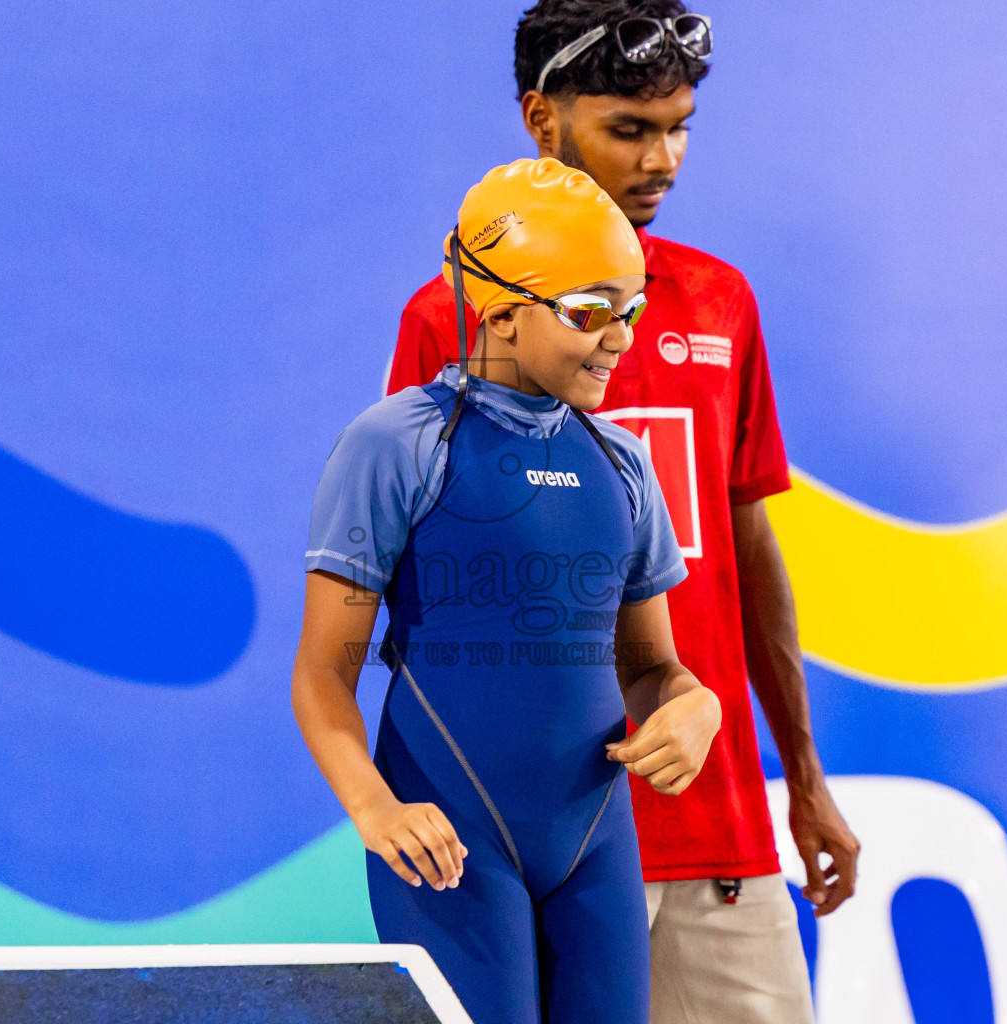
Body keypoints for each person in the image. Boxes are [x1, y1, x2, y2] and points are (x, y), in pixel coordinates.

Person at [385, 4, 860, 1021]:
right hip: (531, 829)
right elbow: (414, 589)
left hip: (717, 827)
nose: (666, 158)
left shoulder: (721, 301)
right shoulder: (453, 318)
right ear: (541, 120)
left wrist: (803, 779)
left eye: (681, 125)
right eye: (632, 130)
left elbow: (744, 547)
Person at [294, 157, 724, 1024]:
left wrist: (695, 704)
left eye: (631, 310)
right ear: (500, 313)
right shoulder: (397, 445)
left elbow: (652, 669)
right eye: (591, 312)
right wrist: (376, 811)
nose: (622, 337)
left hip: (595, 840)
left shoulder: (623, 463)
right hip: (449, 843)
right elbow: (321, 675)